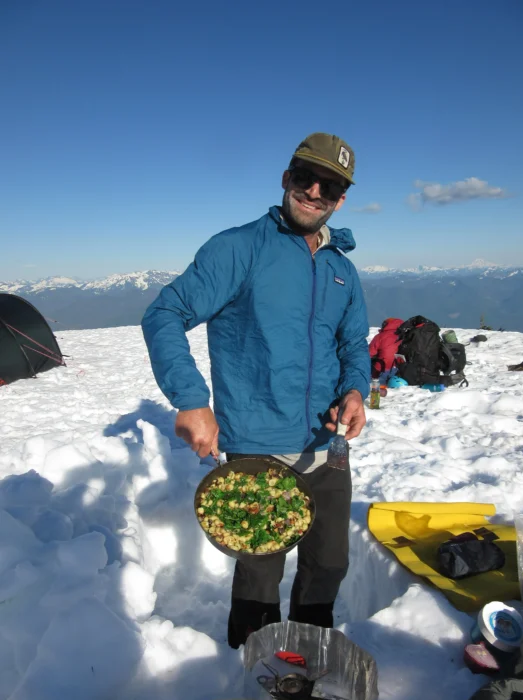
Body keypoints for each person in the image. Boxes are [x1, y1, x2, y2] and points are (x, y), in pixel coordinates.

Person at [142, 132, 370, 648]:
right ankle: (251, 669)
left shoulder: (341, 268)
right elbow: (164, 313)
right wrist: (192, 400)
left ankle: (310, 660)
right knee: (261, 576)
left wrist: (355, 391)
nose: (314, 191)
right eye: (304, 176)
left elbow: (353, 342)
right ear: (286, 177)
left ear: (341, 198)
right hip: (259, 449)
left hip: (328, 450)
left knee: (328, 564)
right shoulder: (240, 248)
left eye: (329, 185)